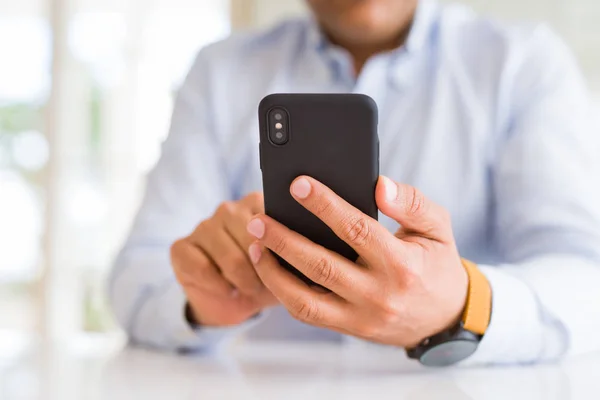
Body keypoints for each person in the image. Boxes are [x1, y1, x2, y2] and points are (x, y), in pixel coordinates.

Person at [109, 0, 600, 366]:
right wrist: (200, 301)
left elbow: (585, 278)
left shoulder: (522, 64)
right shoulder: (220, 71)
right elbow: (136, 279)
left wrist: (461, 304)